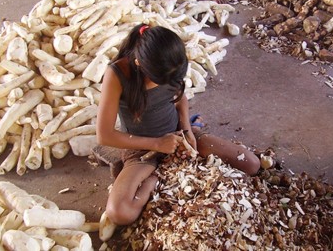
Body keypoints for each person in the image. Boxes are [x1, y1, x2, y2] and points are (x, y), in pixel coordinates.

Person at [96, 23, 260, 226]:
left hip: (179, 138)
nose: (168, 84)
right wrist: (157, 144)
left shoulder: (171, 60)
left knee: (252, 165)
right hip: (142, 151)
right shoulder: (117, 74)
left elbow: (180, 97)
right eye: (160, 81)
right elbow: (104, 135)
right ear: (139, 64)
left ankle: (167, 169)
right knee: (119, 213)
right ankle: (155, 179)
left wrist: (186, 129)